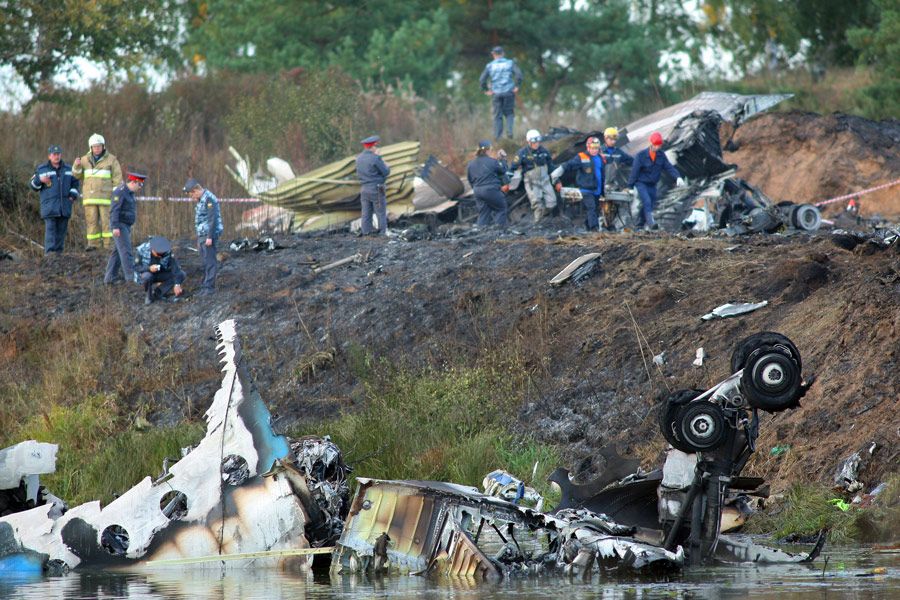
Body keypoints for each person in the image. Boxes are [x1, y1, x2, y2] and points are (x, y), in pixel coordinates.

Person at [72, 133, 123, 250]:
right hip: (89, 199)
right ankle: (93, 245)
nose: (97, 148)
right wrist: (76, 165)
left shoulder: (112, 160)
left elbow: (117, 179)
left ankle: (109, 245)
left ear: (103, 146)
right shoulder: (84, 160)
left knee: (108, 222)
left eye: (99, 146)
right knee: (91, 222)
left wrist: (116, 196)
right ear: (90, 147)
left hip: (106, 198)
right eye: (94, 146)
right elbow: (76, 175)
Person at [627, 131, 685, 231]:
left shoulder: (661, 156)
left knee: (649, 204)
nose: (657, 147)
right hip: (641, 183)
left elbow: (669, 167)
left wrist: (678, 177)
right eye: (656, 145)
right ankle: (651, 223)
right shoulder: (641, 156)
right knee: (647, 201)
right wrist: (630, 187)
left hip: (652, 185)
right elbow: (634, 172)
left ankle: (639, 225)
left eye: (659, 145)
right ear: (651, 144)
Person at [30, 145, 80, 254]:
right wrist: (40, 180)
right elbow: (33, 186)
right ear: (49, 156)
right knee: (50, 232)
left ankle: (59, 255)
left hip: (64, 206)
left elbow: (76, 184)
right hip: (49, 207)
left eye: (58, 154)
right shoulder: (41, 169)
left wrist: (72, 195)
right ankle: (50, 255)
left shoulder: (69, 169)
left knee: (61, 232)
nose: (56, 157)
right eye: (54, 154)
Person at [550, 136, 606, 232]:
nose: (594, 150)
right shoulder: (581, 157)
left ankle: (587, 225)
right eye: (592, 148)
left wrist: (603, 191)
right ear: (588, 147)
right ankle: (594, 229)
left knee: (595, 210)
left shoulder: (601, 158)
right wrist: (556, 175)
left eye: (596, 148)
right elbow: (568, 165)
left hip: (598, 189)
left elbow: (602, 174)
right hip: (586, 189)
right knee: (591, 207)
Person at [104, 170, 146, 285]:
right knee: (126, 252)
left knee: (117, 252)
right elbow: (114, 210)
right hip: (120, 226)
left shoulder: (129, 193)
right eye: (139, 184)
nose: (140, 187)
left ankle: (109, 277)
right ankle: (131, 278)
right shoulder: (120, 192)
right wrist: (115, 226)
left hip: (125, 226)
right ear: (133, 182)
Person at [184, 178, 223, 295]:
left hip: (209, 234)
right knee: (205, 259)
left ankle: (209, 287)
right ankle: (206, 283)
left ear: (196, 190)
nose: (191, 197)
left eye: (191, 194)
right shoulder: (201, 199)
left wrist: (209, 237)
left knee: (210, 260)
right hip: (203, 234)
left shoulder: (209, 199)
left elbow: (212, 219)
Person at [479, 46, 523, 141]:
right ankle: (509, 132)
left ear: (493, 54)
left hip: (496, 93)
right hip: (509, 92)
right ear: (503, 54)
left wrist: (486, 89)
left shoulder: (490, 65)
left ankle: (497, 138)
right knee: (509, 113)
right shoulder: (510, 63)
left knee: (497, 115)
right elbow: (519, 75)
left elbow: (482, 80)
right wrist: (517, 86)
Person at [513, 129, 556, 223]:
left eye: (538, 141)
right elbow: (513, 167)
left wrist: (558, 181)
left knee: (552, 202)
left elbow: (551, 167)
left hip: (545, 180)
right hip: (531, 181)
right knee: (537, 204)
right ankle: (537, 224)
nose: (536, 143)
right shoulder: (522, 153)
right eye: (534, 141)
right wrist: (507, 181)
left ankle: (544, 216)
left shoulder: (544, 151)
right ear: (528, 141)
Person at [466, 139, 510, 228]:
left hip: (477, 191)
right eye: (491, 149)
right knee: (501, 209)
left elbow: (470, 180)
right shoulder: (492, 161)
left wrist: (476, 189)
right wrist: (503, 159)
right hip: (491, 190)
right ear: (487, 150)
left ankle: (481, 235)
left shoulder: (470, 164)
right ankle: (499, 233)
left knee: (484, 213)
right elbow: (503, 170)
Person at [355, 135, 391, 235]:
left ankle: (366, 232)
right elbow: (385, 172)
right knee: (381, 213)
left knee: (366, 213)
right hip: (377, 189)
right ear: (373, 146)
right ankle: (382, 234)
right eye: (376, 146)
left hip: (364, 189)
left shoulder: (358, 158)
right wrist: (384, 163)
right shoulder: (375, 158)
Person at [134, 236, 185, 305]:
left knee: (181, 274)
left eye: (162, 254)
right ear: (152, 249)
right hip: (147, 274)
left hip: (161, 272)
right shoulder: (141, 250)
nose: (160, 256)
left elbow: (175, 268)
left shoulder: (167, 251)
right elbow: (136, 267)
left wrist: (177, 284)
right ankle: (149, 296)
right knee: (147, 276)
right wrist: (149, 268)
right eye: (158, 254)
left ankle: (158, 292)